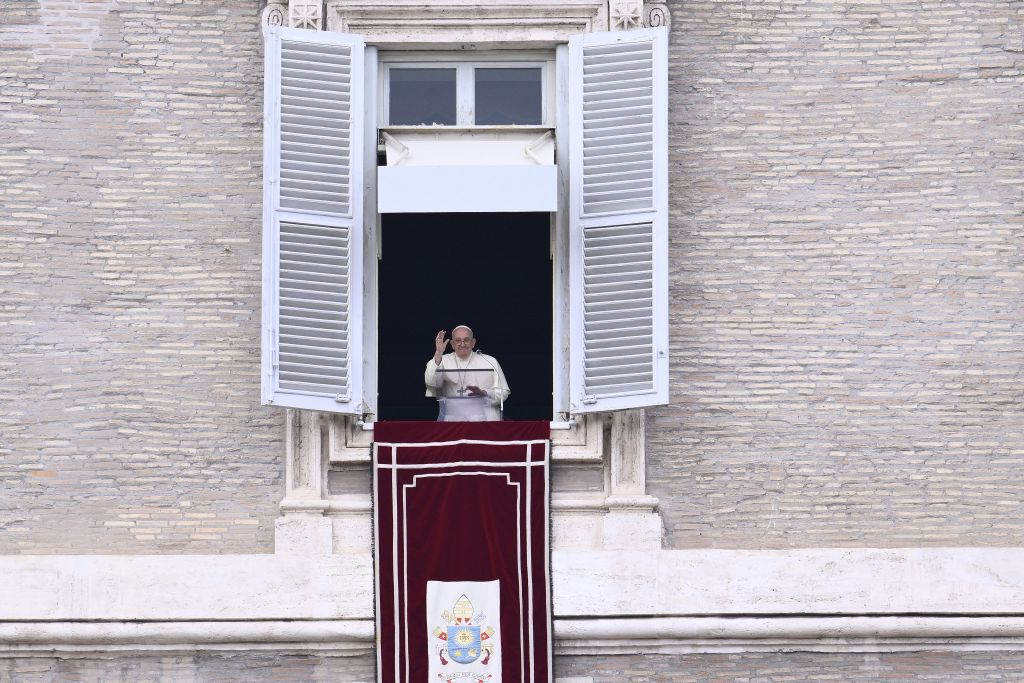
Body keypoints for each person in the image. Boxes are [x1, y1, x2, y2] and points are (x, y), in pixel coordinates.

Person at [425, 325, 510, 421]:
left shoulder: (489, 361)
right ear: (452, 344)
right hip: (452, 421)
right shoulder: (441, 360)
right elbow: (431, 382)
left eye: (466, 340)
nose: (462, 344)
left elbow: (504, 392)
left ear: (473, 342)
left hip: (485, 420)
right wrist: (438, 353)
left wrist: (484, 393)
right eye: (458, 340)